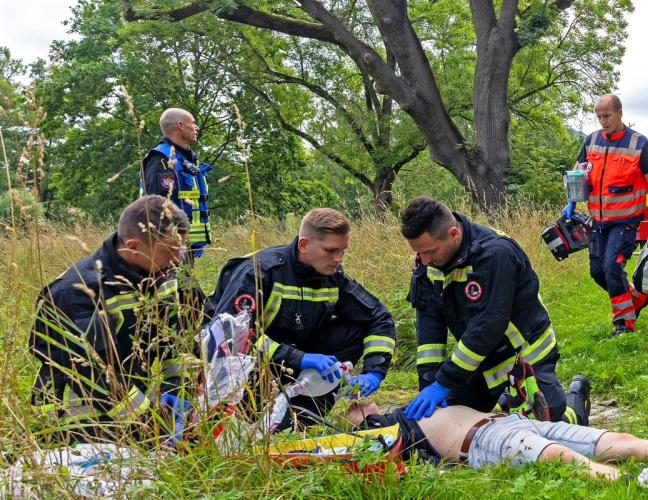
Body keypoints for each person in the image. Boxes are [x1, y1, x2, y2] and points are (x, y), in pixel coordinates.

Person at [351, 388, 648, 489]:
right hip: (482, 442)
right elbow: (363, 449)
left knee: (615, 436)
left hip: (513, 421)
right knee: (558, 457)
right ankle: (637, 484)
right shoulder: (385, 433)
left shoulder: (409, 404)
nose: (361, 401)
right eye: (357, 406)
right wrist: (358, 419)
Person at [401, 196, 590, 425]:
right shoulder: (430, 261)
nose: (424, 259)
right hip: (480, 363)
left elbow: (488, 326)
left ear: (453, 234)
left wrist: (444, 383)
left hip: (525, 357)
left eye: (430, 251)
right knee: (446, 421)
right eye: (419, 253)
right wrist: (430, 384)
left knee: (545, 425)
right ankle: (506, 400)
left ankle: (575, 402)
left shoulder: (495, 254)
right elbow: (429, 326)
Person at [29, 195, 201, 443]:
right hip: (75, 411)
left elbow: (176, 339)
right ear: (133, 246)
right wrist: (152, 423)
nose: (177, 258)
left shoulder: (162, 271)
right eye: (169, 250)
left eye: (181, 248)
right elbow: (95, 378)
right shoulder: (78, 291)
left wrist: (176, 389)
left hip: (130, 397)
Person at [206, 208, 396, 428]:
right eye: (331, 250)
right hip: (249, 370)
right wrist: (299, 358)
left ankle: (302, 416)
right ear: (304, 245)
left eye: (343, 251)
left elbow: (378, 317)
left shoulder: (332, 277)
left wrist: (374, 371)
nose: (338, 259)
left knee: (356, 328)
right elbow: (228, 338)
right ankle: (262, 418)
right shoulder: (260, 272)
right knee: (247, 420)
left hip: (296, 362)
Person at [563, 95, 648, 337]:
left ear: (620, 113)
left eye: (606, 116)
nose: (602, 121)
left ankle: (624, 324)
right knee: (597, 271)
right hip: (598, 220)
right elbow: (579, 172)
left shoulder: (639, 143)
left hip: (626, 221)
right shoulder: (592, 140)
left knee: (612, 266)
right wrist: (571, 201)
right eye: (598, 116)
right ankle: (635, 298)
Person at [140, 108, 212, 263]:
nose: (197, 127)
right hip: (170, 247)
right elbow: (155, 207)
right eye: (193, 123)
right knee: (177, 287)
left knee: (187, 286)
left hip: (186, 245)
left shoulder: (185, 159)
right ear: (180, 125)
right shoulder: (160, 159)